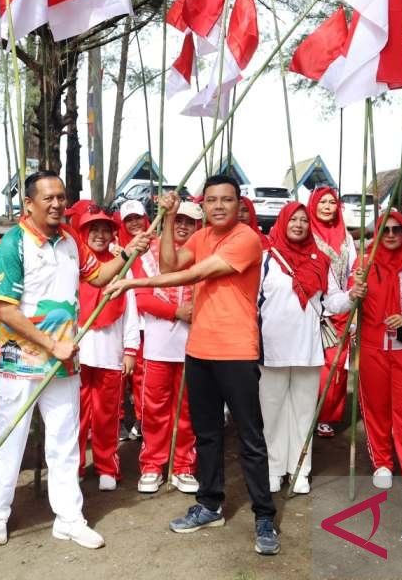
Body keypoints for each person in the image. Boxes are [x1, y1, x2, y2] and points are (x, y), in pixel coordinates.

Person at [107, 175, 279, 557]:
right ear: (204, 205)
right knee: (207, 434)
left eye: (227, 200)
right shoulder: (200, 238)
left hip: (236, 351)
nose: (219, 206)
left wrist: (135, 285)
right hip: (198, 348)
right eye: (212, 201)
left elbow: (196, 273)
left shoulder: (246, 239)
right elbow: (171, 260)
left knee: (250, 438)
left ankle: (264, 515)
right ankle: (210, 504)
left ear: (239, 204)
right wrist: (167, 218)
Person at [0, 171, 149, 550]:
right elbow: (5, 310)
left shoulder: (72, 239)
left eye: (61, 196)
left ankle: (69, 518)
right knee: (9, 439)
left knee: (64, 440)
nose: (57, 204)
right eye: (49, 198)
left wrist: (127, 252)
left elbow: (99, 276)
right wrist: (49, 344)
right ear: (29, 203)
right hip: (21, 363)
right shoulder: (14, 243)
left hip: (64, 363)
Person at [327, 210, 402, 504]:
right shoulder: (364, 263)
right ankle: (382, 462)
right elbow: (349, 300)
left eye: (396, 230)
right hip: (373, 348)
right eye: (384, 230)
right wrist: (356, 288)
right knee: (375, 410)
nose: (390, 236)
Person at [131, 200, 201, 494]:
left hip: (194, 345)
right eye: (179, 220)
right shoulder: (146, 253)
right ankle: (152, 464)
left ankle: (184, 464)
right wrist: (176, 312)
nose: (183, 226)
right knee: (154, 408)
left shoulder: (203, 253)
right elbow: (142, 298)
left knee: (188, 408)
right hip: (158, 345)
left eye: (190, 222)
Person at [257, 202, 328, 496]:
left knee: (303, 414)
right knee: (271, 414)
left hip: (307, 348)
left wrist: (352, 295)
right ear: (283, 222)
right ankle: (274, 469)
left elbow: (330, 301)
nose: (298, 225)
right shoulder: (266, 259)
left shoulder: (320, 260)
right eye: (293, 220)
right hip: (271, 348)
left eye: (303, 220)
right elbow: (251, 300)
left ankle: (300, 470)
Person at [76, 207, 141, 490]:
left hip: (109, 354)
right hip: (76, 354)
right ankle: (74, 465)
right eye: (94, 230)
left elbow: (130, 310)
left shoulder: (120, 265)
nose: (100, 236)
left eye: (105, 230)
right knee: (75, 415)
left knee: (107, 415)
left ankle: (107, 466)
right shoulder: (74, 266)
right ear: (83, 233)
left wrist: (130, 350)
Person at [307, 186, 356, 439]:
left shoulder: (345, 237)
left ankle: (327, 415)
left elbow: (353, 270)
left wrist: (351, 300)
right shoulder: (306, 233)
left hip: (340, 309)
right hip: (312, 308)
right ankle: (307, 413)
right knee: (311, 365)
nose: (327, 207)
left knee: (336, 366)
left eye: (332, 202)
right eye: (322, 202)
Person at [118, 198, 149, 441]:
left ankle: (142, 417)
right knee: (121, 375)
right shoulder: (116, 248)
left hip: (148, 322)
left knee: (142, 375)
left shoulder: (155, 245)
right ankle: (118, 419)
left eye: (137, 217)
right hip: (125, 320)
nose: (134, 223)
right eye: (128, 220)